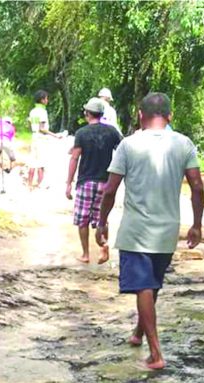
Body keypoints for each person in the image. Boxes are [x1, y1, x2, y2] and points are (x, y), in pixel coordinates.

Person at [96, 92, 204, 370]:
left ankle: (155, 352)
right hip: (167, 229)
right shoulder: (184, 144)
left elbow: (110, 189)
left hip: (136, 230)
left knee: (144, 286)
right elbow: (197, 186)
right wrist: (196, 224)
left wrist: (102, 221)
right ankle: (138, 333)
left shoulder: (129, 145)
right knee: (151, 284)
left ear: (141, 115)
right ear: (169, 116)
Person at [66, 97, 122, 264]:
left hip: (86, 181)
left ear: (87, 114)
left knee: (82, 218)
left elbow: (74, 158)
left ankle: (85, 254)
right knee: (102, 217)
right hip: (106, 181)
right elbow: (122, 151)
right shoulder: (112, 132)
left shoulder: (82, 133)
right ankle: (103, 247)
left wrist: (68, 182)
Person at [27, 90, 62, 191]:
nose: (47, 100)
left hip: (34, 136)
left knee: (33, 161)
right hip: (41, 138)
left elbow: (30, 124)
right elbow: (42, 129)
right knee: (41, 162)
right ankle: (40, 183)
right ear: (42, 100)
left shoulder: (32, 111)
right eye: (46, 98)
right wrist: (55, 136)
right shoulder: (42, 112)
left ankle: (29, 184)